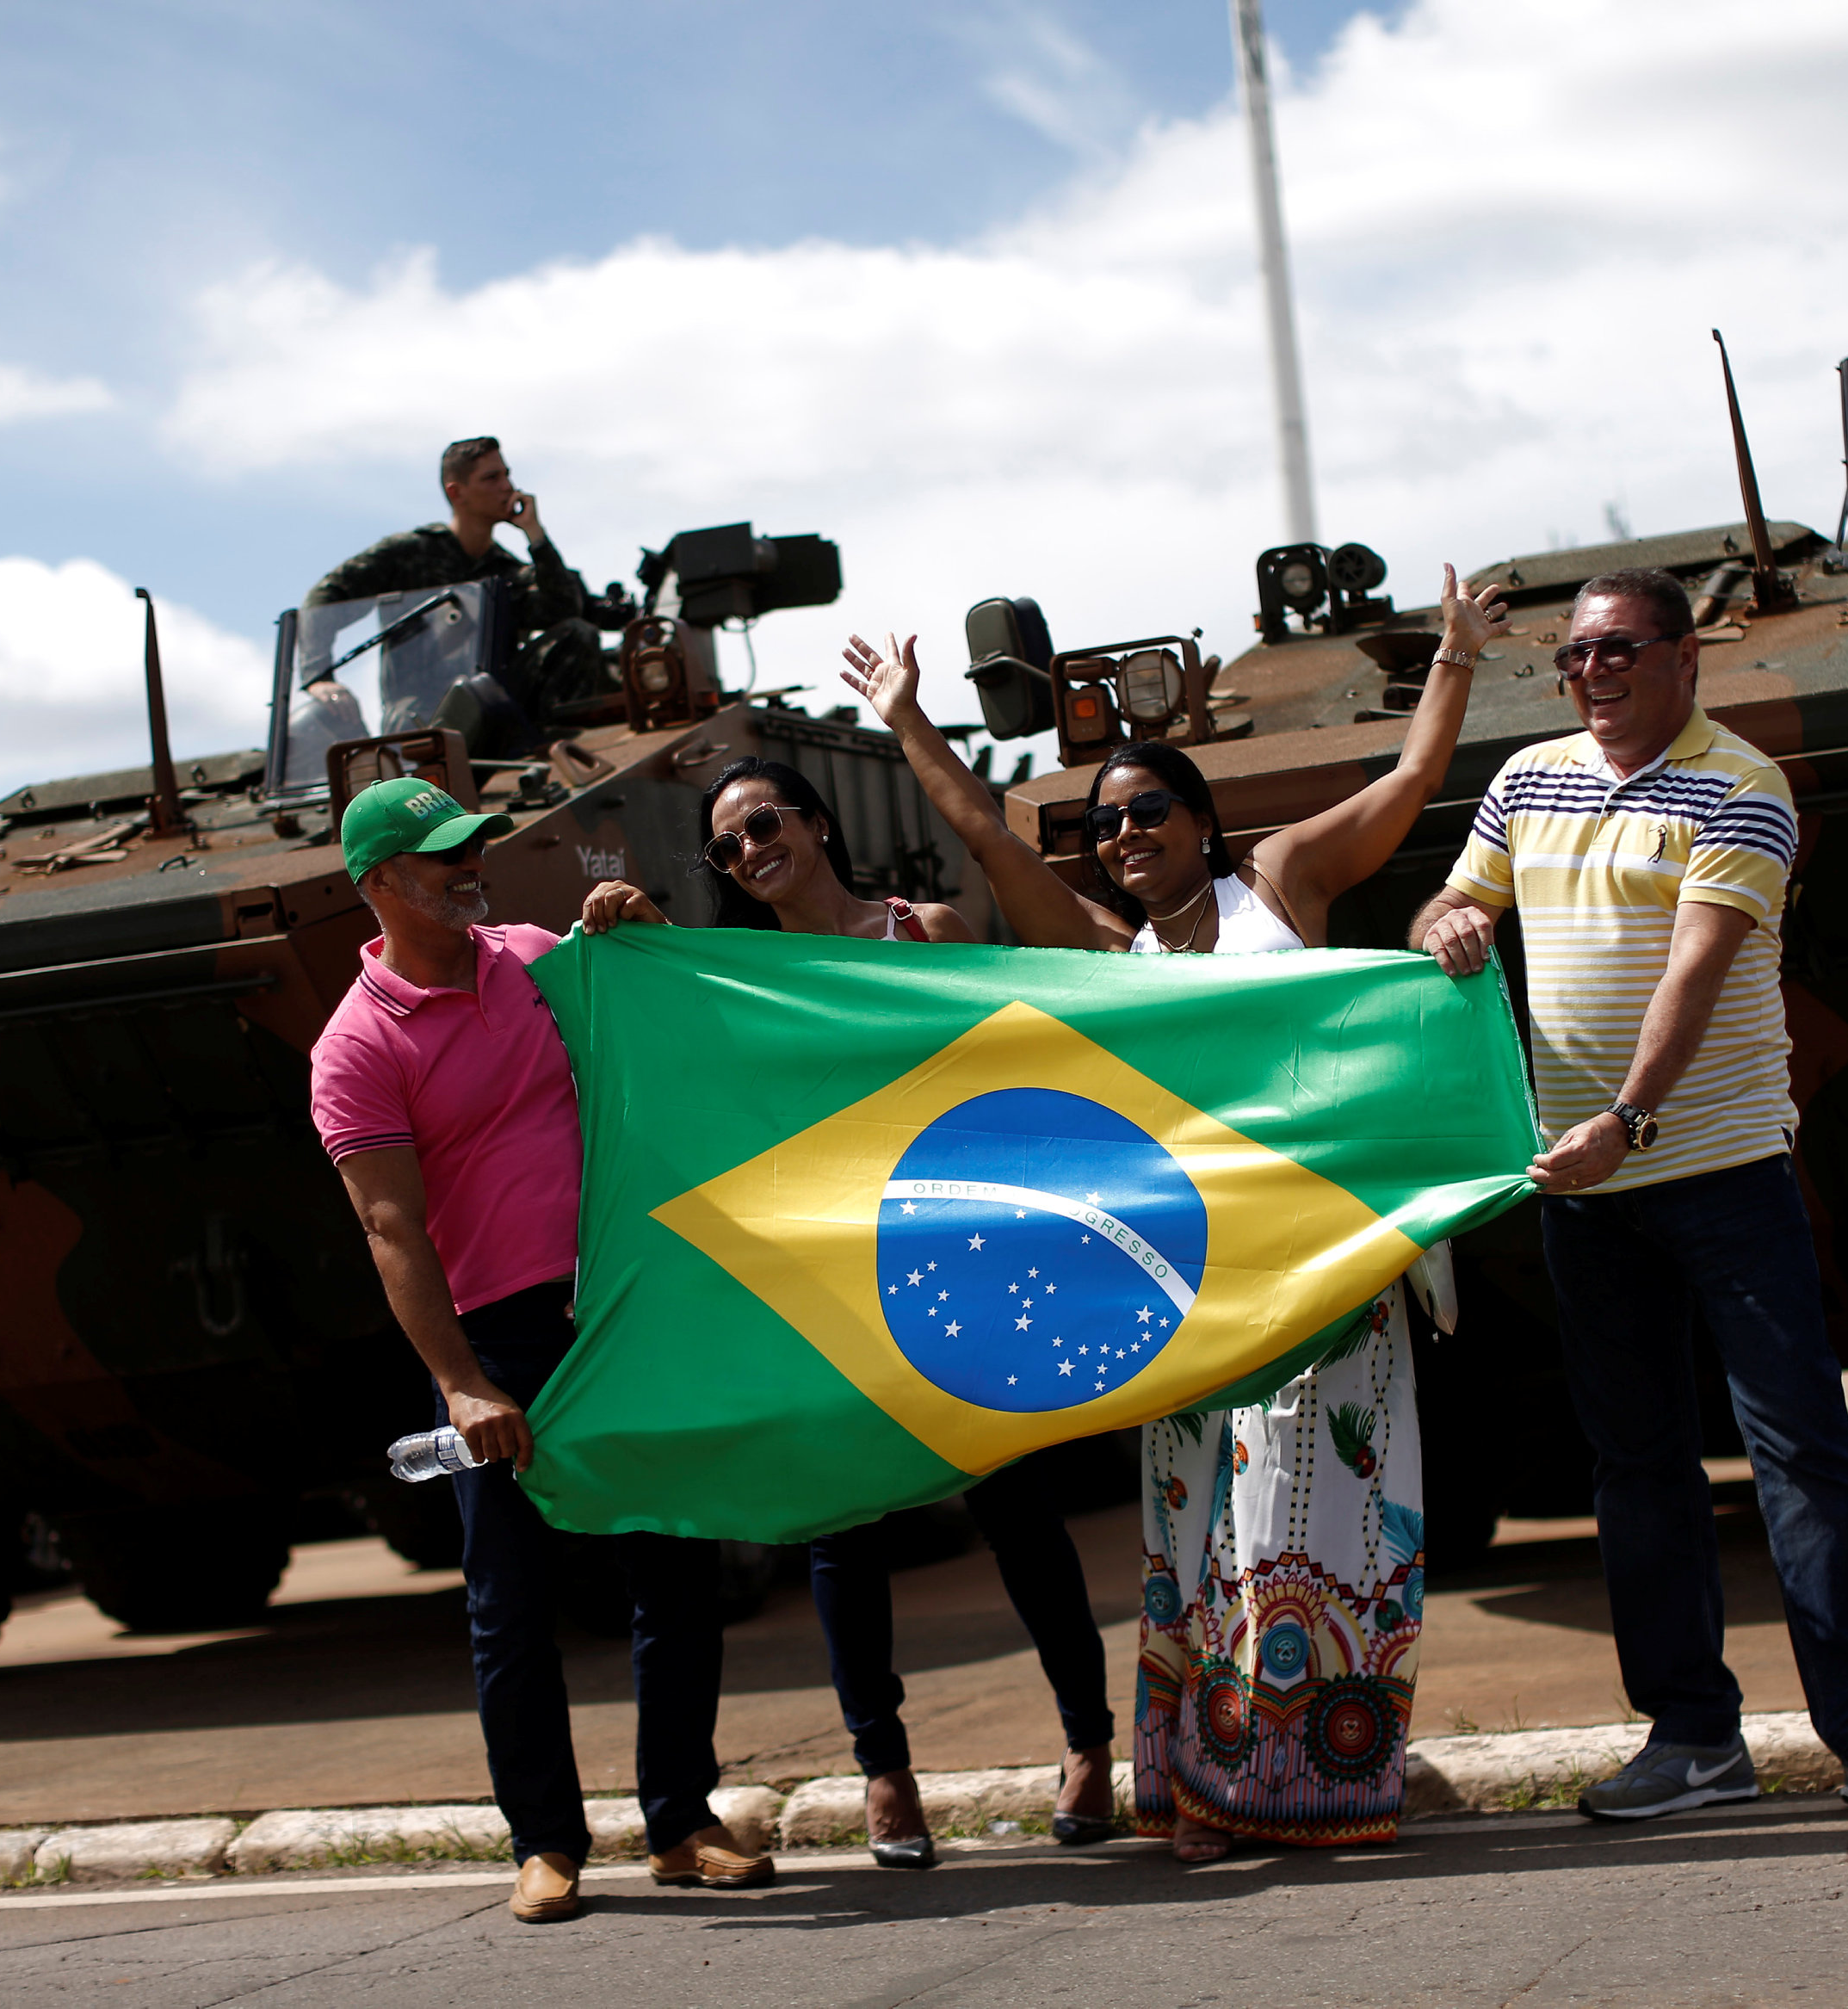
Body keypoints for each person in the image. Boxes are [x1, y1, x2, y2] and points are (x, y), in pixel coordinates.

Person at [840, 563, 1506, 1861]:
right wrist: (910, 721)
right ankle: (1212, 1789)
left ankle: (1320, 1779)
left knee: (1320, 1522)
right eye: (1106, 822)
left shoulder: (1286, 884)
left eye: (1150, 809)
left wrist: (1459, 653)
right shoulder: (1109, 955)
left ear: (1201, 820)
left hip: (1326, 1276)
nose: (1127, 832)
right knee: (1203, 1541)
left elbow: (1411, 784)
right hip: (1189, 1295)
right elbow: (986, 833)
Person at [1405, 567, 1848, 1822]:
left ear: (1684, 658)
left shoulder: (1743, 787)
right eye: (1575, 657)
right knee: (1637, 1466)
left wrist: (1629, 1119)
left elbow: (1695, 976)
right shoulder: (1527, 780)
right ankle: (1694, 1737)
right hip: (1588, 1196)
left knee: (1802, 1455)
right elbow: (1457, 893)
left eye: (1619, 651)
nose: (1593, 675)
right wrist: (1449, 922)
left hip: (1723, 1173)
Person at [577, 757, 1120, 1869]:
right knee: (843, 1531)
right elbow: (667, 1054)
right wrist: (626, 926)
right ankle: (886, 1770)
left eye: (763, 822)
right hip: (828, 1288)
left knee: (1020, 1509)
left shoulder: (927, 932)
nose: (748, 849)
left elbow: (1027, 1053)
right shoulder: (736, 976)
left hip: (963, 1261)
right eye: (726, 845)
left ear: (817, 823)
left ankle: (1090, 1744)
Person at [310, 776, 774, 1924]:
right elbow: (390, 1227)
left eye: (474, 846)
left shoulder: (532, 955)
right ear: (380, 885)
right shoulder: (356, 1044)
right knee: (508, 1602)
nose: (472, 866)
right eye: (443, 857)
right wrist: (461, 1379)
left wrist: (643, 927)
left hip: (620, 1306)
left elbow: (661, 1025)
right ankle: (544, 1841)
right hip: (494, 1340)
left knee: (674, 1569)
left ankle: (680, 1819)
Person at [305, 435, 606, 735]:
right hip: (422, 714)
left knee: (578, 634)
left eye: (507, 475)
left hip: (493, 707)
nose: (508, 487)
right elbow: (325, 597)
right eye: (491, 478)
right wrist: (319, 677)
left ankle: (554, 746)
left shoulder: (506, 569)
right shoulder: (410, 553)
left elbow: (564, 612)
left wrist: (536, 536)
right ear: (456, 493)